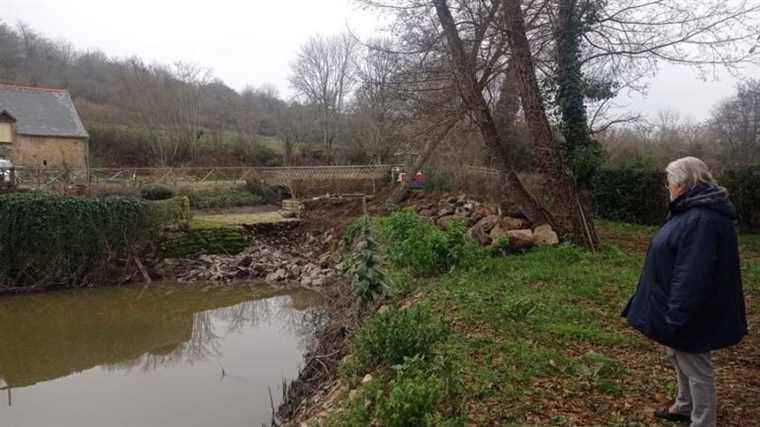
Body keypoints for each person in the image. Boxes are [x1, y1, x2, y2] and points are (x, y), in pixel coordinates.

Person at [623, 156, 747, 427]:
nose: (668, 188)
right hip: (674, 304)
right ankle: (684, 405)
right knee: (679, 357)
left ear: (681, 184)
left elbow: (693, 272)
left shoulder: (701, 217)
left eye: (669, 182)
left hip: (691, 309)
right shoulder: (690, 210)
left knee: (696, 366)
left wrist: (678, 314)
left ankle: (703, 421)